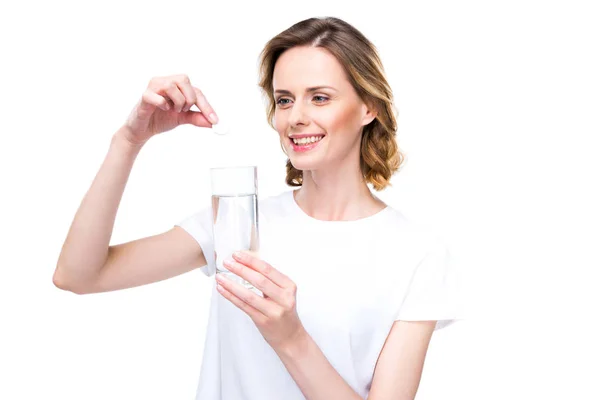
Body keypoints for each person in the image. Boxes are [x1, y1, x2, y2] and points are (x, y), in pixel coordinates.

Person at [54, 16, 462, 400]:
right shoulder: (240, 225)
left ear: (368, 107)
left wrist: (289, 337)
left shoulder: (416, 252)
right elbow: (79, 275)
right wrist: (128, 141)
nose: (296, 118)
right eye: (284, 100)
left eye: (319, 97)